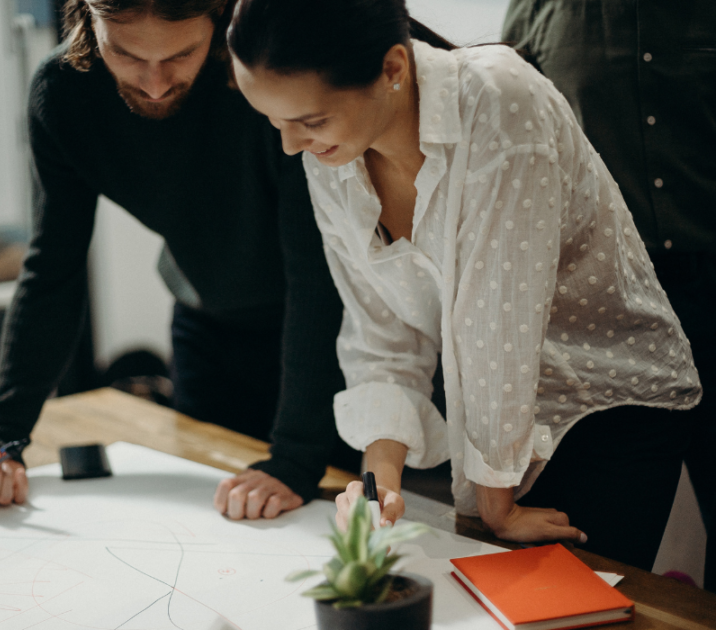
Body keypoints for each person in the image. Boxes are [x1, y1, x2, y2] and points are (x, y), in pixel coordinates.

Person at [228, 0, 702, 569]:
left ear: (393, 69)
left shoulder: (500, 101)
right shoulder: (331, 153)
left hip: (599, 408)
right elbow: (382, 333)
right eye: (275, 122)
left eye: (309, 121)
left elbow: (497, 323)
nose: (290, 145)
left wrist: (494, 505)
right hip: (494, 431)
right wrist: (377, 488)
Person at [0, 0, 359, 520]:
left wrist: (294, 460)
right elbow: (51, 269)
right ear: (86, 17)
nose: (154, 84)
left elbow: (315, 275)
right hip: (207, 331)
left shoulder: (267, 80)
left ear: (218, 19)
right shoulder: (62, 94)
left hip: (327, 341)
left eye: (180, 54)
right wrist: (4, 430)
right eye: (125, 54)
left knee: (319, 528)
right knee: (208, 529)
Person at [503, 0, 716, 591]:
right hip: (608, 313)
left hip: (710, 275)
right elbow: (517, 143)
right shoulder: (539, 12)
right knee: (598, 550)